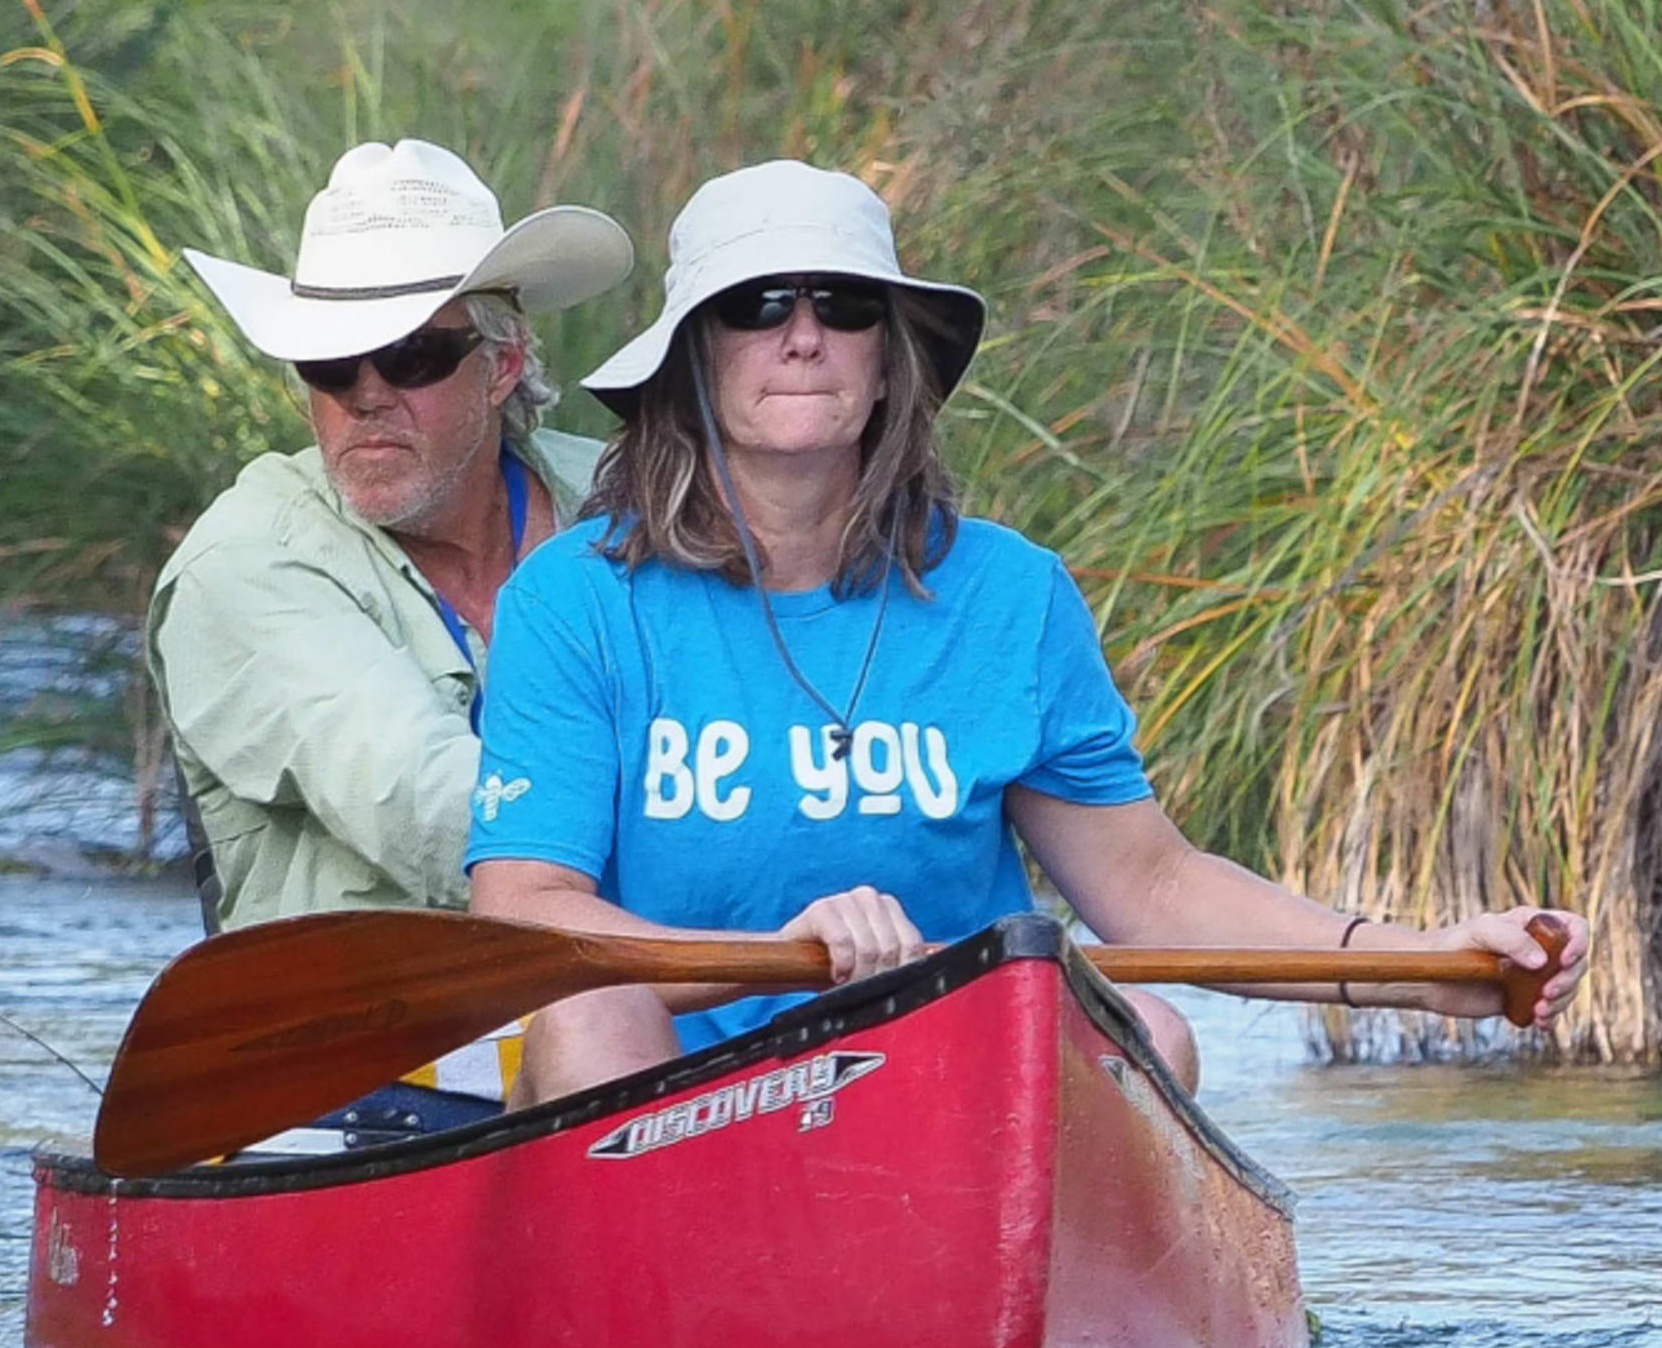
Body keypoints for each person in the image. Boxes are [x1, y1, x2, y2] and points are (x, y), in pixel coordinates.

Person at [466, 158, 1587, 1098]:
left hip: (944, 1085)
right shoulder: (573, 598)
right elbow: (524, 923)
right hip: (673, 1102)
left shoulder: (1012, 593)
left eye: (840, 304)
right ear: (693, 354)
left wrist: (1413, 962)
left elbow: (1150, 888)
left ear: (886, 355)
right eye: (757, 306)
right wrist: (788, 949)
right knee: (584, 1019)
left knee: (1150, 1031)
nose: (801, 336)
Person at [148, 139, 636, 929]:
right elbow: (420, 800)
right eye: (331, 363)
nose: (366, 396)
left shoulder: (635, 499)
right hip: (376, 1029)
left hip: (638, 991)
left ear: (503, 364)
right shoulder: (243, 562)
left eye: (411, 356)